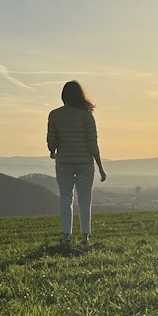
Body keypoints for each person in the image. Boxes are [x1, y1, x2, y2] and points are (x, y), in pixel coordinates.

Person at [47, 80, 106, 250]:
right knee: (85, 199)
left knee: (66, 199)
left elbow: (52, 139)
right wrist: (100, 167)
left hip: (64, 161)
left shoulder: (54, 115)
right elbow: (92, 144)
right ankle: (85, 237)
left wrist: (53, 151)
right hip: (85, 163)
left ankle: (66, 237)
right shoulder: (87, 116)